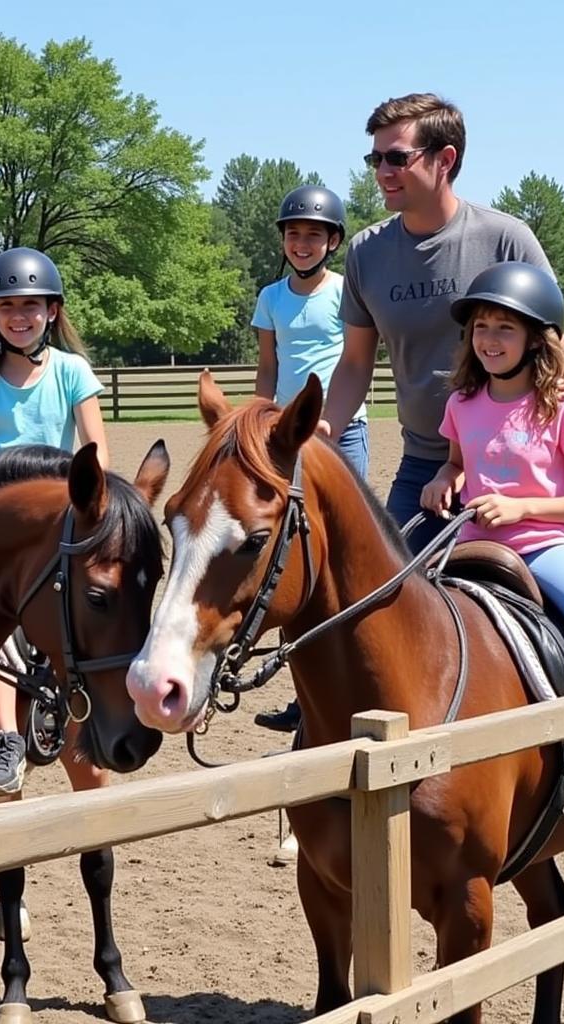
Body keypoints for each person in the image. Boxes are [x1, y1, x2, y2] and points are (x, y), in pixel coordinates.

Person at [419, 261, 564, 831]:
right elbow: (458, 462)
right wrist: (443, 478)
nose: (490, 340)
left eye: (505, 328)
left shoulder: (561, 408)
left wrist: (524, 507)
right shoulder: (462, 403)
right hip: (472, 547)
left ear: (535, 339)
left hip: (545, 546)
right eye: (481, 327)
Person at [319, 93, 564, 552]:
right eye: (375, 158)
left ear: (445, 158)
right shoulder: (367, 253)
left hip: (508, 472)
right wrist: (324, 428)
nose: (382, 171)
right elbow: (354, 363)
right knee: (383, 599)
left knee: (531, 607)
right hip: (424, 467)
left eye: (396, 157)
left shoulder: (505, 238)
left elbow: (552, 339)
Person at [0, 246, 108, 795]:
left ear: (53, 312)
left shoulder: (71, 371)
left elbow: (96, 454)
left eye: (31, 306)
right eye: (8, 306)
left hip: (58, 515)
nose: (20, 316)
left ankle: (103, 706)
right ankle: (4, 735)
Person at [252, 184, 367, 734]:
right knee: (287, 557)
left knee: (344, 557)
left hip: (342, 432)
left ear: (332, 242)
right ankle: (305, 695)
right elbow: (268, 368)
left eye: (313, 235)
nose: (301, 244)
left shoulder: (347, 293)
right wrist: (262, 419)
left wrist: (333, 419)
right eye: (293, 235)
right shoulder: (271, 297)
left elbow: (356, 359)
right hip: (287, 436)